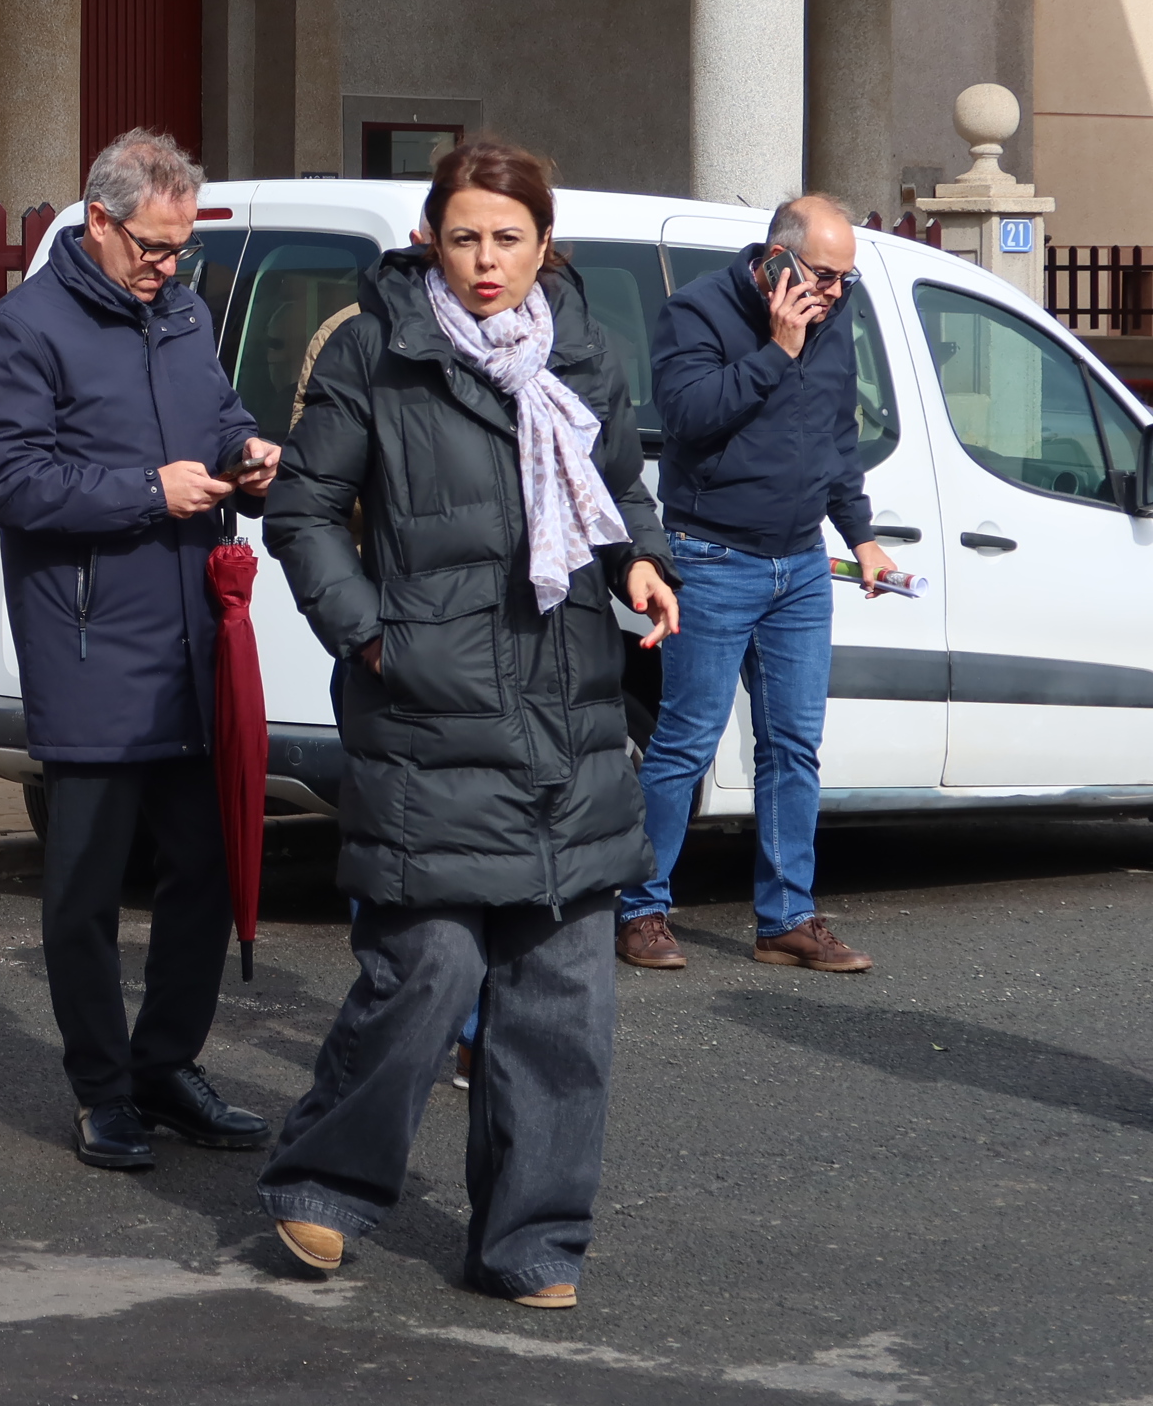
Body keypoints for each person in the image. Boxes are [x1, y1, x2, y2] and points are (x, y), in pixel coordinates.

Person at [256, 140, 679, 1306]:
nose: (484, 261)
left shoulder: (583, 356)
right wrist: (370, 631)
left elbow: (622, 486)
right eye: (463, 237)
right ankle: (320, 1189)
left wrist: (640, 561)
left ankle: (529, 1243)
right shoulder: (373, 352)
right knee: (424, 972)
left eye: (506, 238)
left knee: (561, 1006)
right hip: (427, 713)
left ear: (544, 245)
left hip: (566, 710)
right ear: (427, 241)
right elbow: (300, 511)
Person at [0, 129, 281, 1173]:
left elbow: (215, 412)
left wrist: (245, 453)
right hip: (92, 644)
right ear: (96, 221)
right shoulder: (19, 330)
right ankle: (101, 1091)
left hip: (192, 640)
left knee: (203, 869)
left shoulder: (182, 313)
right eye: (152, 244)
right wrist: (150, 490)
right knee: (86, 889)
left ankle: (166, 1066)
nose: (168, 265)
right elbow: (11, 482)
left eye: (180, 246)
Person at [615, 196, 898, 975]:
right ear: (776, 258)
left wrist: (862, 535)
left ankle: (787, 918)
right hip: (712, 556)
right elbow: (688, 416)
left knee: (792, 746)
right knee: (684, 744)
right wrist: (778, 346)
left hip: (802, 563)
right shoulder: (697, 310)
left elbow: (836, 433)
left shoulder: (834, 313)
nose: (836, 294)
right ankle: (640, 908)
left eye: (847, 279)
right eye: (824, 275)